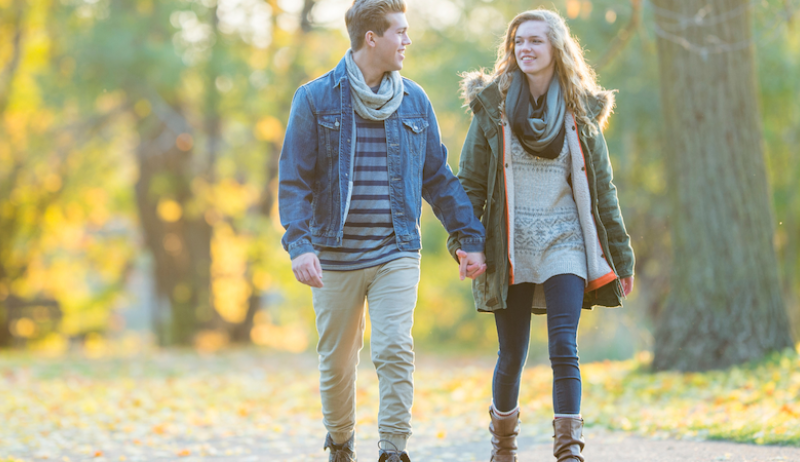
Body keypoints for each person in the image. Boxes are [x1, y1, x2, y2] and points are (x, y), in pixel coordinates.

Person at [278, 1, 487, 460]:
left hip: (396, 248)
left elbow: (437, 177)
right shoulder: (314, 98)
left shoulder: (414, 100)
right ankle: (339, 442)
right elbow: (294, 179)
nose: (407, 41)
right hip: (333, 254)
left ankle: (394, 449)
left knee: (394, 346)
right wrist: (300, 245)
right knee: (337, 363)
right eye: (400, 32)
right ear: (372, 38)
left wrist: (468, 238)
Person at [447, 8, 635, 462]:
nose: (525, 49)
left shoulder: (580, 110)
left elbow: (602, 187)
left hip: (564, 241)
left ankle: (568, 452)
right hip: (509, 243)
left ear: (557, 49)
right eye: (518, 41)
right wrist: (466, 243)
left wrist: (622, 258)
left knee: (563, 346)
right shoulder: (491, 107)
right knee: (511, 352)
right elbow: (469, 182)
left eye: (535, 41)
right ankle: (504, 449)